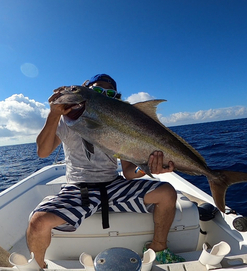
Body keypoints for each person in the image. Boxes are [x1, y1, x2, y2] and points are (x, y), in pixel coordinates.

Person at [27, 74, 185, 268]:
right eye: (97, 90)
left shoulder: (120, 123)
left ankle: (159, 249)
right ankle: (37, 266)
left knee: (167, 192)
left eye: (109, 92)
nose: (103, 94)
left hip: (114, 185)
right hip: (79, 187)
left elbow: (128, 172)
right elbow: (43, 152)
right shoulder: (65, 119)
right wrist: (54, 114)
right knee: (38, 221)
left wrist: (147, 169)